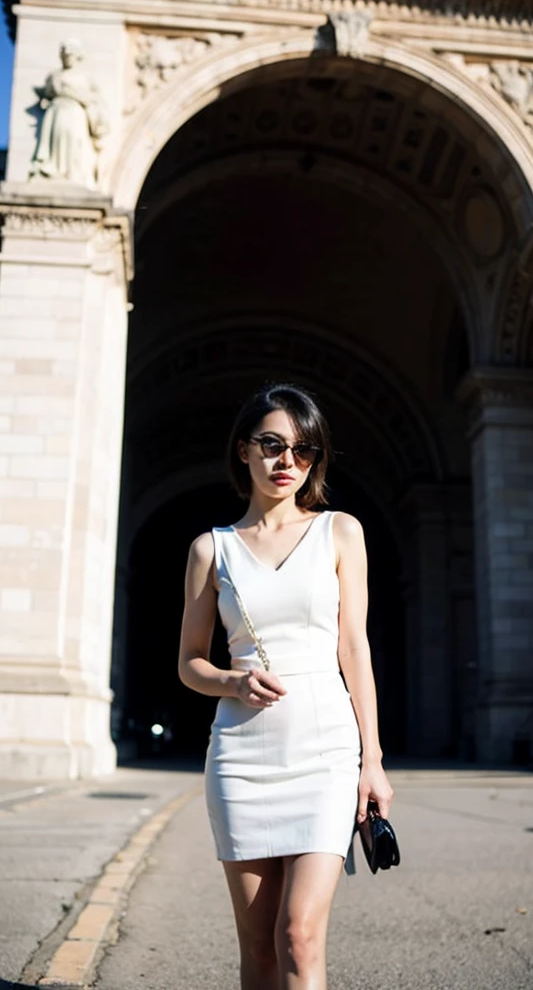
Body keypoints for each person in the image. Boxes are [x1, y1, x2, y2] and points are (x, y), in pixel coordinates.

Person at [179, 383, 393, 990]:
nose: (286, 463)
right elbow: (190, 662)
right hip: (241, 758)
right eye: (272, 445)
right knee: (259, 947)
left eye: (303, 451)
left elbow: (354, 648)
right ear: (244, 449)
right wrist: (231, 679)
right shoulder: (210, 550)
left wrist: (371, 761)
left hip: (325, 751)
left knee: (299, 935)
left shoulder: (340, 532)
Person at [29, 39, 108, 188]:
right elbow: (45, 93)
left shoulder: (85, 78)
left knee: (74, 144)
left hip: (74, 114)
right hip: (56, 113)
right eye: (65, 55)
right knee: (58, 140)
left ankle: (74, 174)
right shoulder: (54, 75)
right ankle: (53, 172)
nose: (68, 57)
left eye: (71, 54)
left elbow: (95, 100)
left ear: (77, 56)